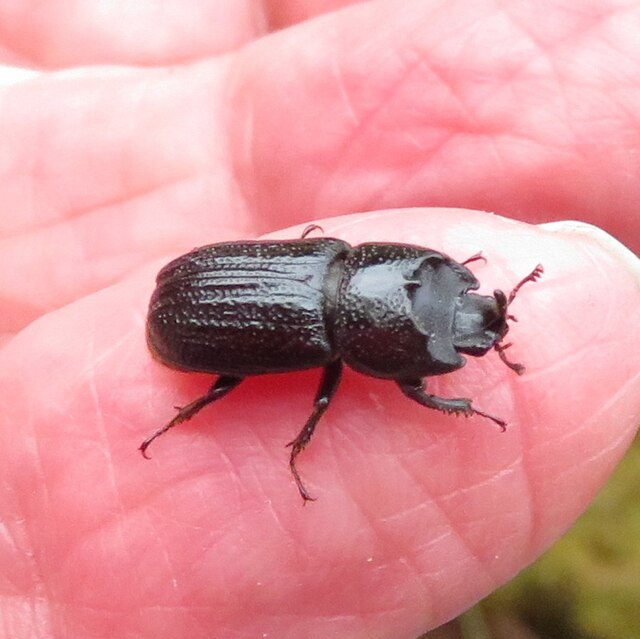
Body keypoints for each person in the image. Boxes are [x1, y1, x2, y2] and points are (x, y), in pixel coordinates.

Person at [0, 2, 639, 638]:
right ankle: (186, 421)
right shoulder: (330, 307)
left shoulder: (333, 258)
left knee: (282, 387)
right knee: (232, 388)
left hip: (221, 275)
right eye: (453, 290)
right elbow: (410, 388)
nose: (465, 306)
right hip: (191, 321)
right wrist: (468, 407)